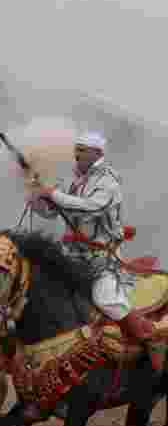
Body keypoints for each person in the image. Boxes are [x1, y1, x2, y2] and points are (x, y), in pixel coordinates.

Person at [29, 131, 163, 375]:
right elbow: (52, 212)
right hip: (69, 258)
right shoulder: (70, 178)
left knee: (107, 300)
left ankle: (151, 340)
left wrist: (54, 195)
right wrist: (38, 197)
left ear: (98, 153)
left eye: (83, 149)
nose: (77, 153)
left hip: (102, 258)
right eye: (76, 148)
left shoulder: (108, 180)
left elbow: (93, 207)